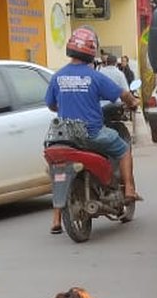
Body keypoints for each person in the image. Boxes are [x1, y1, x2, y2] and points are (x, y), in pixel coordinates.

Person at [45, 27, 141, 235]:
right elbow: (122, 94)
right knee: (123, 149)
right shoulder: (94, 77)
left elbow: (51, 105)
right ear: (91, 51)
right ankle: (130, 189)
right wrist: (133, 102)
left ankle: (56, 218)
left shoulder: (57, 77)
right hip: (91, 135)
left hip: (65, 137)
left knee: (57, 171)